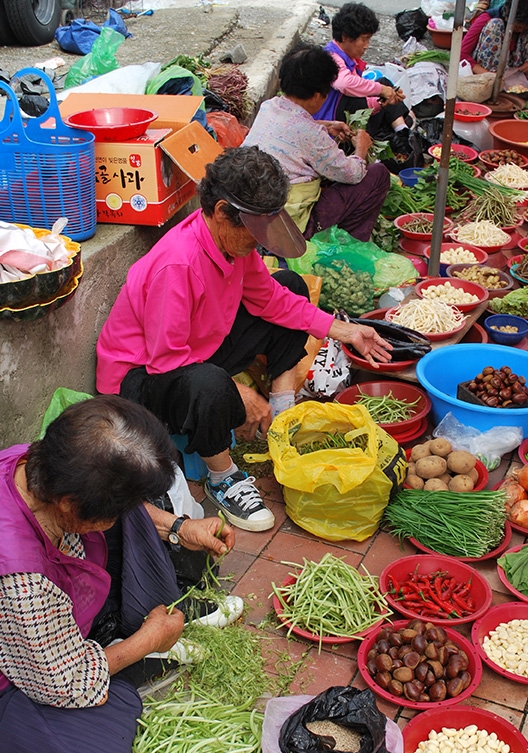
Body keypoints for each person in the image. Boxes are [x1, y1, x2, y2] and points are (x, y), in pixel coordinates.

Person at [96, 146, 393, 532]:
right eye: (253, 229)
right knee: (211, 383)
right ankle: (223, 478)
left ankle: (282, 411)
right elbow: (166, 359)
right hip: (139, 382)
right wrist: (240, 392)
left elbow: (269, 298)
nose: (259, 240)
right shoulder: (178, 264)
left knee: (290, 285)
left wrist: (345, 329)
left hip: (198, 346)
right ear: (222, 213)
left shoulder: (231, 246)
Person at [0, 395, 236, 753]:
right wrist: (147, 642)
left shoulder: (34, 464)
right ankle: (134, 644)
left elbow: (125, 505)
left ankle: (124, 632)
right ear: (71, 507)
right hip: (21, 672)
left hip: (50, 608)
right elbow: (63, 681)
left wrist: (180, 528)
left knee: (133, 511)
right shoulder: (22, 583)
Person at [243, 43, 390, 240]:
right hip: (288, 223)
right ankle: (348, 242)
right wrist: (361, 148)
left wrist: (325, 125)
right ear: (317, 96)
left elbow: (290, 127)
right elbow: (353, 174)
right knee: (378, 174)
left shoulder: (269, 106)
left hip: (250, 206)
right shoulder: (312, 135)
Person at [314, 3, 410, 137]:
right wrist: (381, 90)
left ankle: (403, 131)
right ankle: (401, 129)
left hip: (346, 117)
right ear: (345, 37)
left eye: (368, 40)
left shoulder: (349, 59)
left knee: (383, 84)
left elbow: (364, 100)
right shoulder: (331, 57)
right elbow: (345, 84)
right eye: (364, 40)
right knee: (372, 89)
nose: (366, 46)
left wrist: (383, 102)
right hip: (331, 127)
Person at [461, 0, 528, 75]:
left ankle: (521, 76)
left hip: (515, 69)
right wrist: (486, 74)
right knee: (496, 24)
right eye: (517, 27)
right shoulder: (486, 18)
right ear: (507, 17)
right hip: (488, 71)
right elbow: (461, 54)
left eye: (524, 28)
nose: (520, 31)